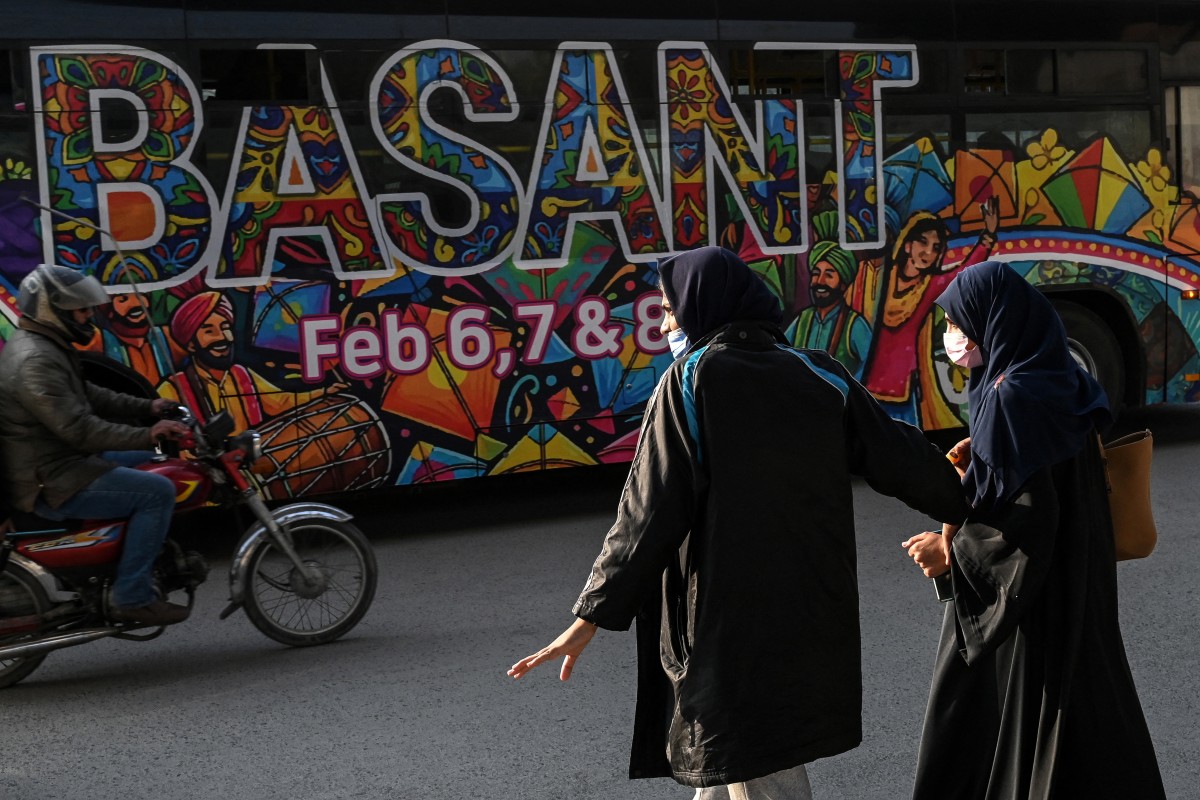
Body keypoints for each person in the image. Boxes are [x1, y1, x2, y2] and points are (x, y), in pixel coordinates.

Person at [509, 246, 970, 798]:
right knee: (734, 764)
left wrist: (589, 616)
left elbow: (646, 513)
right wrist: (973, 494)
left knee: (752, 757)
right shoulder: (817, 373)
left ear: (704, 305)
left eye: (669, 311)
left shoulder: (690, 381)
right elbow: (899, 458)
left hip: (727, 623)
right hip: (809, 607)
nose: (664, 325)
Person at [902, 261, 1165, 799]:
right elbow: (1048, 472)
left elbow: (1023, 524)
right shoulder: (1060, 375)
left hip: (1036, 604)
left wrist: (949, 552)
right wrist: (982, 462)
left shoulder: (1011, 397)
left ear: (992, 321)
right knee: (1086, 714)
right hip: (1080, 577)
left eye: (957, 323)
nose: (951, 336)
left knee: (1002, 719)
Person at [0, 264, 192, 627]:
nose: (89, 315)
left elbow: (89, 395)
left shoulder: (46, 346)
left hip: (63, 461)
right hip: (54, 479)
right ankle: (132, 596)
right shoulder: (35, 360)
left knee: (152, 462)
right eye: (81, 309)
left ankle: (121, 561)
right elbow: (79, 429)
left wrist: (148, 407)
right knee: (157, 492)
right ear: (52, 310)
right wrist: (148, 433)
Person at [860, 199, 999, 427]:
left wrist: (988, 236)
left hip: (904, 393)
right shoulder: (880, 277)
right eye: (922, 242)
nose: (928, 252)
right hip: (868, 386)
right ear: (907, 245)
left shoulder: (929, 286)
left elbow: (964, 271)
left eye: (935, 247)